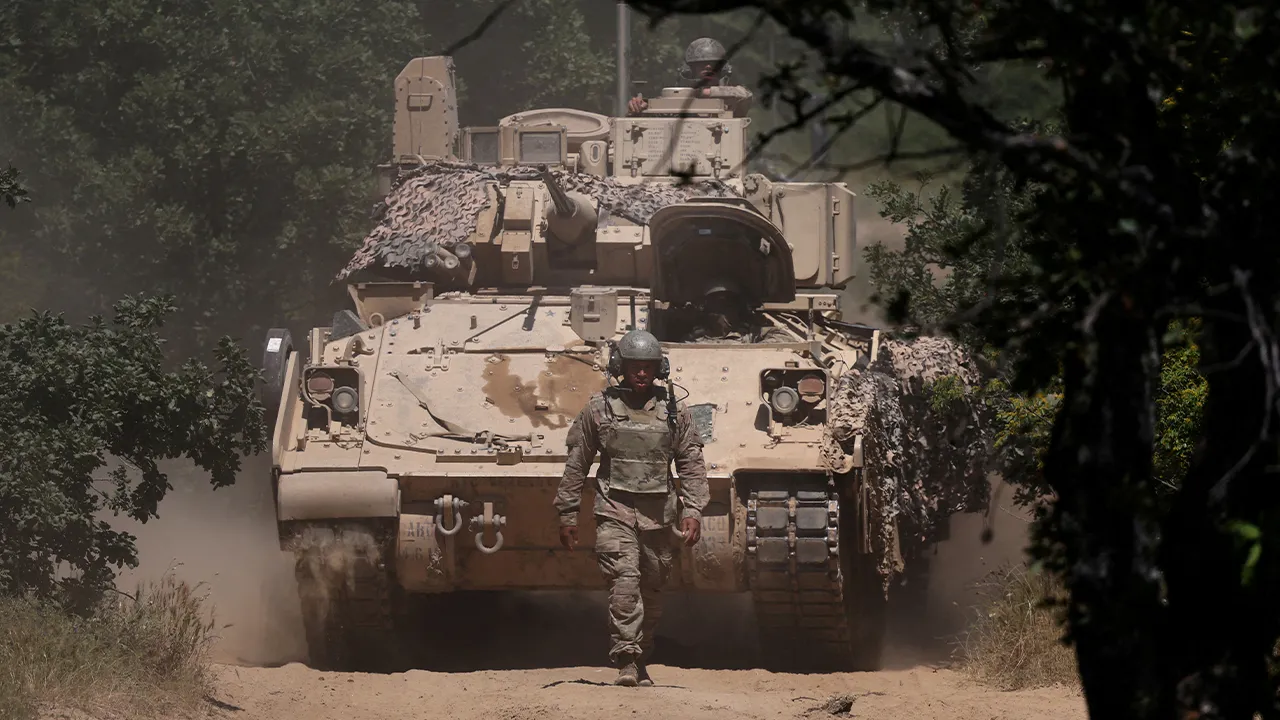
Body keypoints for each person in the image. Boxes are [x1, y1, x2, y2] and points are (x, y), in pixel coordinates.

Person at [553, 329, 709, 687]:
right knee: (625, 583)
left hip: (659, 515)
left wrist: (693, 510)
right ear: (620, 367)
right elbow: (577, 463)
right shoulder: (599, 409)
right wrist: (567, 512)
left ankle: (642, 651)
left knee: (652, 590)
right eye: (634, 366)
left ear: (659, 369)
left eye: (648, 367)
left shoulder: (675, 412)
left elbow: (691, 464)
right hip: (615, 510)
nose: (641, 373)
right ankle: (627, 657)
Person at [628, 37, 753, 118]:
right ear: (690, 69)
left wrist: (703, 93)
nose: (708, 66)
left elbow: (745, 95)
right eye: (702, 63)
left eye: (714, 63)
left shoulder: (732, 99)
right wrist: (639, 107)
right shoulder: (677, 98)